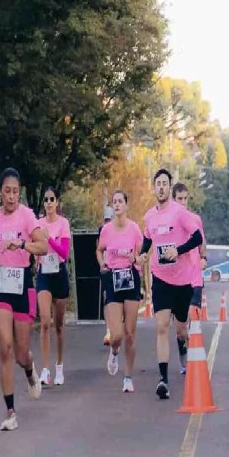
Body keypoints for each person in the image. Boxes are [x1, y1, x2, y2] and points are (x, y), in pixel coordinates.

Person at [0, 168, 48, 431]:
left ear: (20, 193)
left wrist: (24, 245)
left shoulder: (27, 216)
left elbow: (44, 246)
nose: (11, 196)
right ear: (1, 192)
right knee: (4, 346)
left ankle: (29, 371)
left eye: (15, 191)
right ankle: (10, 411)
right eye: (7, 191)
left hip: (24, 285)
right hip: (2, 284)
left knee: (20, 353)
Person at [136, 168, 203, 400]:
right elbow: (147, 238)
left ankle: (183, 349)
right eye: (158, 184)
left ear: (169, 187)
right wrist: (144, 254)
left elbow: (197, 238)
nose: (162, 187)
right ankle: (163, 379)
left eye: (165, 183)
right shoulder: (149, 216)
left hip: (183, 280)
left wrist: (179, 250)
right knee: (162, 325)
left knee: (181, 329)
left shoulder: (180, 213)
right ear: (154, 188)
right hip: (161, 278)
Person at [96, 190, 143, 393]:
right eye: (114, 202)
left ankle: (128, 377)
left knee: (130, 334)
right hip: (113, 279)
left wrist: (137, 258)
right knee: (116, 335)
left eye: (120, 201)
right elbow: (99, 249)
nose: (116, 205)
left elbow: (142, 254)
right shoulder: (106, 229)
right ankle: (114, 352)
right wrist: (101, 264)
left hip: (131, 279)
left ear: (126, 205)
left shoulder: (134, 229)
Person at [35, 187, 71, 386]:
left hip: (59, 273)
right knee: (45, 321)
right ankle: (45, 369)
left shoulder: (63, 223)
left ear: (57, 202)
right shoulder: (38, 224)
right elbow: (34, 245)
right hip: (44, 274)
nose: (48, 203)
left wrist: (49, 239)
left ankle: (59, 366)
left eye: (52, 199)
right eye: (46, 199)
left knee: (58, 325)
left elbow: (64, 253)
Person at [172, 182, 207, 375]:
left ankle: (193, 362)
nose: (183, 202)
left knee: (194, 320)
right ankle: (183, 355)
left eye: (185, 199)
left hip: (194, 277)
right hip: (177, 279)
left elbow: (202, 243)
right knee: (180, 329)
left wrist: (203, 258)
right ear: (173, 199)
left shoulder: (195, 219)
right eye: (179, 199)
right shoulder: (169, 221)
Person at [98, 205, 114, 346]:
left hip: (119, 269)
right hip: (106, 268)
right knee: (106, 299)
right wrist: (101, 263)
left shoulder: (120, 230)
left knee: (117, 300)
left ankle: (116, 327)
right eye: (106, 220)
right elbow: (99, 249)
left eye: (110, 219)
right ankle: (108, 330)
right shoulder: (101, 231)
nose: (108, 222)